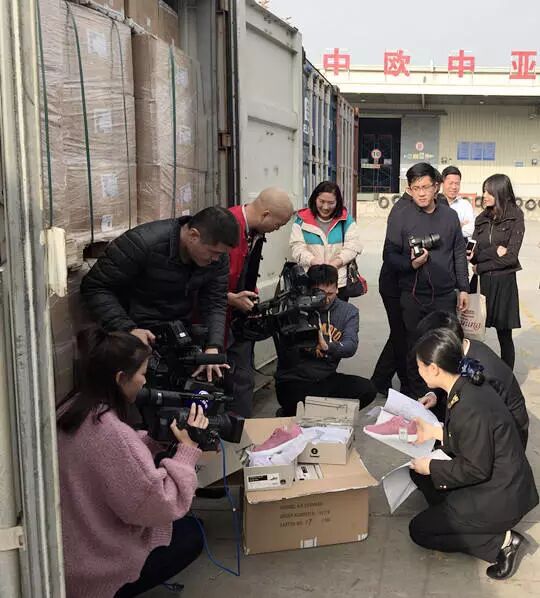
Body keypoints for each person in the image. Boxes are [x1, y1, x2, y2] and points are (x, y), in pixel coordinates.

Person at [57, 328, 209, 597]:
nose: (145, 381)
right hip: (98, 570)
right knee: (193, 533)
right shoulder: (112, 433)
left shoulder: (71, 409)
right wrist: (187, 451)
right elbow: (163, 505)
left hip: (67, 553)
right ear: (120, 378)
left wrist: (154, 440)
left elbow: (116, 454)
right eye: (142, 373)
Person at [408, 328, 538, 580]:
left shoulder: (469, 405)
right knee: (418, 474)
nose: (418, 371)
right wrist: (434, 433)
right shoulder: (465, 384)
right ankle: (457, 515)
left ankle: (502, 543)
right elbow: (468, 437)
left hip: (499, 494)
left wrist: (431, 467)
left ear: (434, 369)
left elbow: (475, 468)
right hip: (495, 478)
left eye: (420, 367)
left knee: (420, 530)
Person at [81, 207, 239, 381]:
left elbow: (215, 301)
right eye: (214, 253)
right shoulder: (142, 243)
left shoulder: (217, 257)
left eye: (221, 254)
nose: (216, 259)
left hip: (178, 338)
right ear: (194, 235)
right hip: (135, 341)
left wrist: (213, 347)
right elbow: (95, 286)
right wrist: (127, 329)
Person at [382, 162, 469, 398]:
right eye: (415, 188)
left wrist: (463, 287)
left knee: (445, 347)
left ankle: (443, 396)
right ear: (409, 189)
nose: (421, 193)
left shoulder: (450, 216)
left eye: (426, 187)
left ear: (436, 187)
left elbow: (459, 253)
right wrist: (411, 264)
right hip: (412, 296)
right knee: (412, 348)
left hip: (444, 296)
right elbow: (389, 255)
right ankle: (414, 396)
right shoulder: (401, 215)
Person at [225, 188, 294, 416]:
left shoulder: (254, 233)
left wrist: (250, 293)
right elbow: (201, 282)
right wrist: (231, 298)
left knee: (243, 378)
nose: (277, 229)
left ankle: (240, 427)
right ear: (265, 215)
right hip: (219, 317)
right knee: (227, 380)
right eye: (278, 224)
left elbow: (244, 269)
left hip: (238, 317)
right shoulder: (227, 228)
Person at [274, 264, 376, 416]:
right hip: (295, 379)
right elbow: (285, 350)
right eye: (320, 294)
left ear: (337, 289)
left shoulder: (348, 312)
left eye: (330, 293)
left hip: (325, 378)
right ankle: (305, 413)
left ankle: (320, 415)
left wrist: (328, 347)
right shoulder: (296, 308)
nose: (326, 299)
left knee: (367, 389)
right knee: (296, 399)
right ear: (310, 289)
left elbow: (351, 346)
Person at [415, 310, 529, 446]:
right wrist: (434, 395)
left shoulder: (479, 375)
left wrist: (440, 436)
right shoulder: (463, 349)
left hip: (504, 439)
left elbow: (479, 438)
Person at [470, 174, 525, 370]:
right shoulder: (481, 219)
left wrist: (481, 266)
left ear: (500, 192)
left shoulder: (515, 216)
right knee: (473, 333)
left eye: (488, 192)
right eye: (483, 191)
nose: (484, 195)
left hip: (504, 284)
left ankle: (507, 378)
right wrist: (494, 251)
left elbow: (511, 258)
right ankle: (471, 374)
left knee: (504, 335)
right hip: (481, 283)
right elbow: (473, 255)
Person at [290, 181, 363, 301]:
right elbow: (297, 248)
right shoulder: (302, 220)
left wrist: (335, 263)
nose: (325, 207)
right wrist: (313, 261)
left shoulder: (346, 220)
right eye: (322, 201)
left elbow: (353, 246)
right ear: (315, 199)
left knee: (338, 312)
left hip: (338, 284)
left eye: (331, 203)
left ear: (337, 202)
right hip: (311, 282)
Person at [441, 166, 474, 239]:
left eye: (457, 183)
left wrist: (446, 231)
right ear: (442, 183)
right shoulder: (434, 203)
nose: (454, 187)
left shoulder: (465, 205)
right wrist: (459, 225)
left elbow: (471, 229)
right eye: (450, 183)